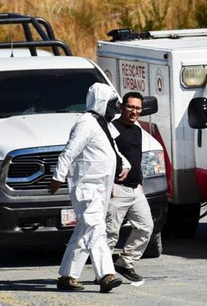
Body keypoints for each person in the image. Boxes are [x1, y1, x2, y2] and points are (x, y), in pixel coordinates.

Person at [48, 82, 130, 293]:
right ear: (102, 102)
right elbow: (69, 152)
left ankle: (67, 276)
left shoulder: (103, 124)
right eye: (113, 103)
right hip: (87, 188)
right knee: (96, 228)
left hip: (101, 189)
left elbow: (112, 150)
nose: (117, 108)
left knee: (84, 232)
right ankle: (106, 275)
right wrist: (58, 176)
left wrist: (125, 164)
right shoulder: (86, 123)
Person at [106, 91, 154, 282]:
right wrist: (108, 183)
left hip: (135, 189)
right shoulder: (112, 128)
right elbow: (108, 157)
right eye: (131, 107)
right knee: (110, 232)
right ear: (122, 106)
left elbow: (137, 158)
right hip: (117, 188)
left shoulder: (137, 129)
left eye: (138, 108)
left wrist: (140, 181)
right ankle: (105, 273)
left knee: (145, 227)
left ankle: (125, 262)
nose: (134, 111)